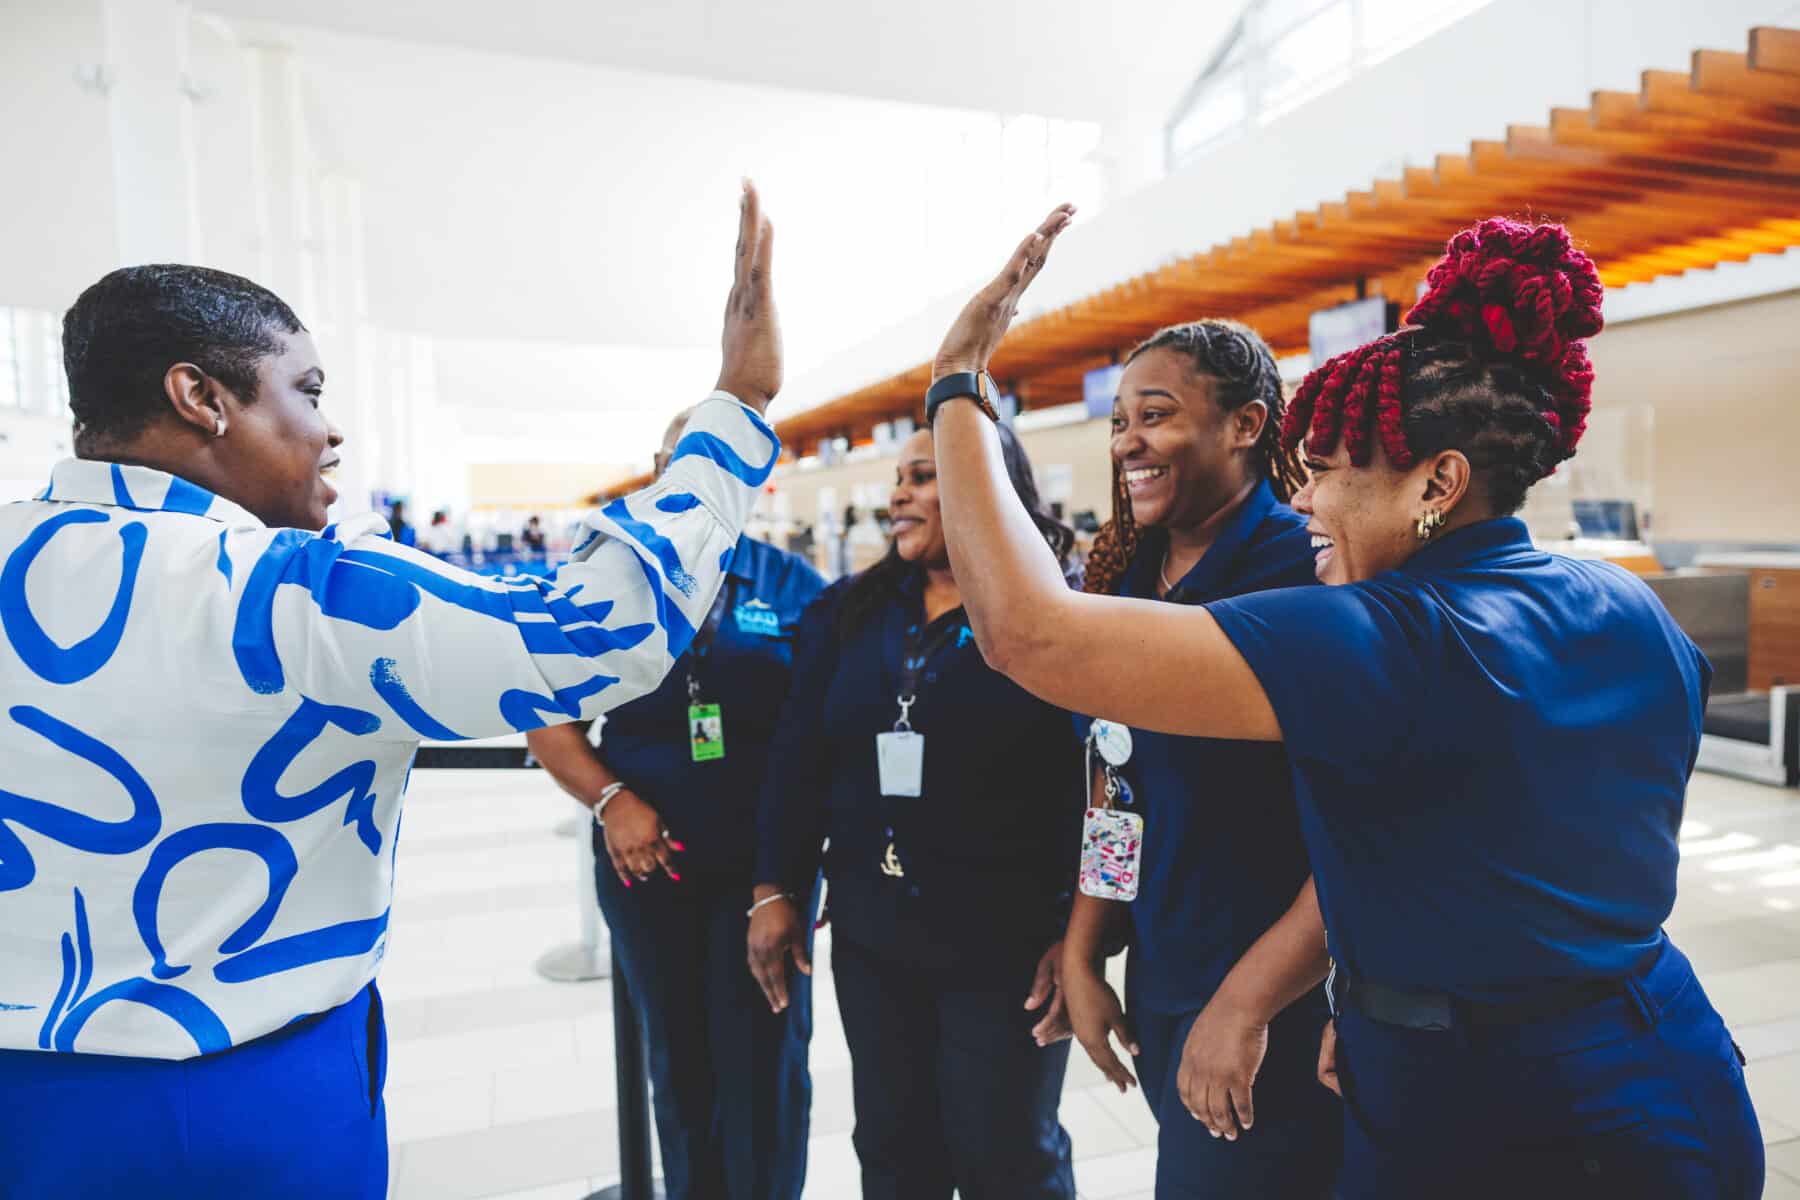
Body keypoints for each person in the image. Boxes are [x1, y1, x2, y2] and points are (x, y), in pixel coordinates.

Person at [926, 208, 1764, 1198]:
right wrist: (1385, 997)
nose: (1308, 498)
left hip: (1498, 1105)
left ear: (1437, 484)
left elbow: (1029, 635)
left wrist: (958, 386)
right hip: (1653, 1054)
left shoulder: (1376, 627)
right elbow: (1490, 833)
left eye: (1327, 471)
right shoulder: (1628, 604)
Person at [0, 183, 783, 1198]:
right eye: (309, 391)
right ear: (202, 398)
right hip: (253, 1096)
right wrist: (740, 403)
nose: (330, 434)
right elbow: (597, 631)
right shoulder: (300, 592)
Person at [749, 422, 1084, 1200]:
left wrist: (1080, 934)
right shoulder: (846, 615)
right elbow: (798, 762)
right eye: (900, 477)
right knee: (894, 1150)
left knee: (1007, 1155)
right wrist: (776, 886)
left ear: (989, 489)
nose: (899, 492)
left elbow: (1091, 786)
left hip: (1007, 951)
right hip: (874, 937)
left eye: (925, 476)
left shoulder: (1052, 613)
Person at [1061, 318, 1340, 1198]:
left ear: (1248, 425)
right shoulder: (1124, 580)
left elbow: (1367, 816)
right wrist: (1085, 950)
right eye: (1118, 423)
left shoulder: (1308, 568)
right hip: (1169, 970)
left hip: (1286, 993)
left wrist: (1249, 1002)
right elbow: (1117, 785)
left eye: (1156, 415)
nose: (1128, 444)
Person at [526, 406, 826, 1200]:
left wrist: (792, 874)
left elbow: (828, 733)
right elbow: (539, 701)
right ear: (660, 472)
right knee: (679, 1057)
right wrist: (611, 797)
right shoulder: (607, 580)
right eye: (680, 464)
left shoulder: (795, 586)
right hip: (645, 861)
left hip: (767, 870)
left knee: (766, 1058)